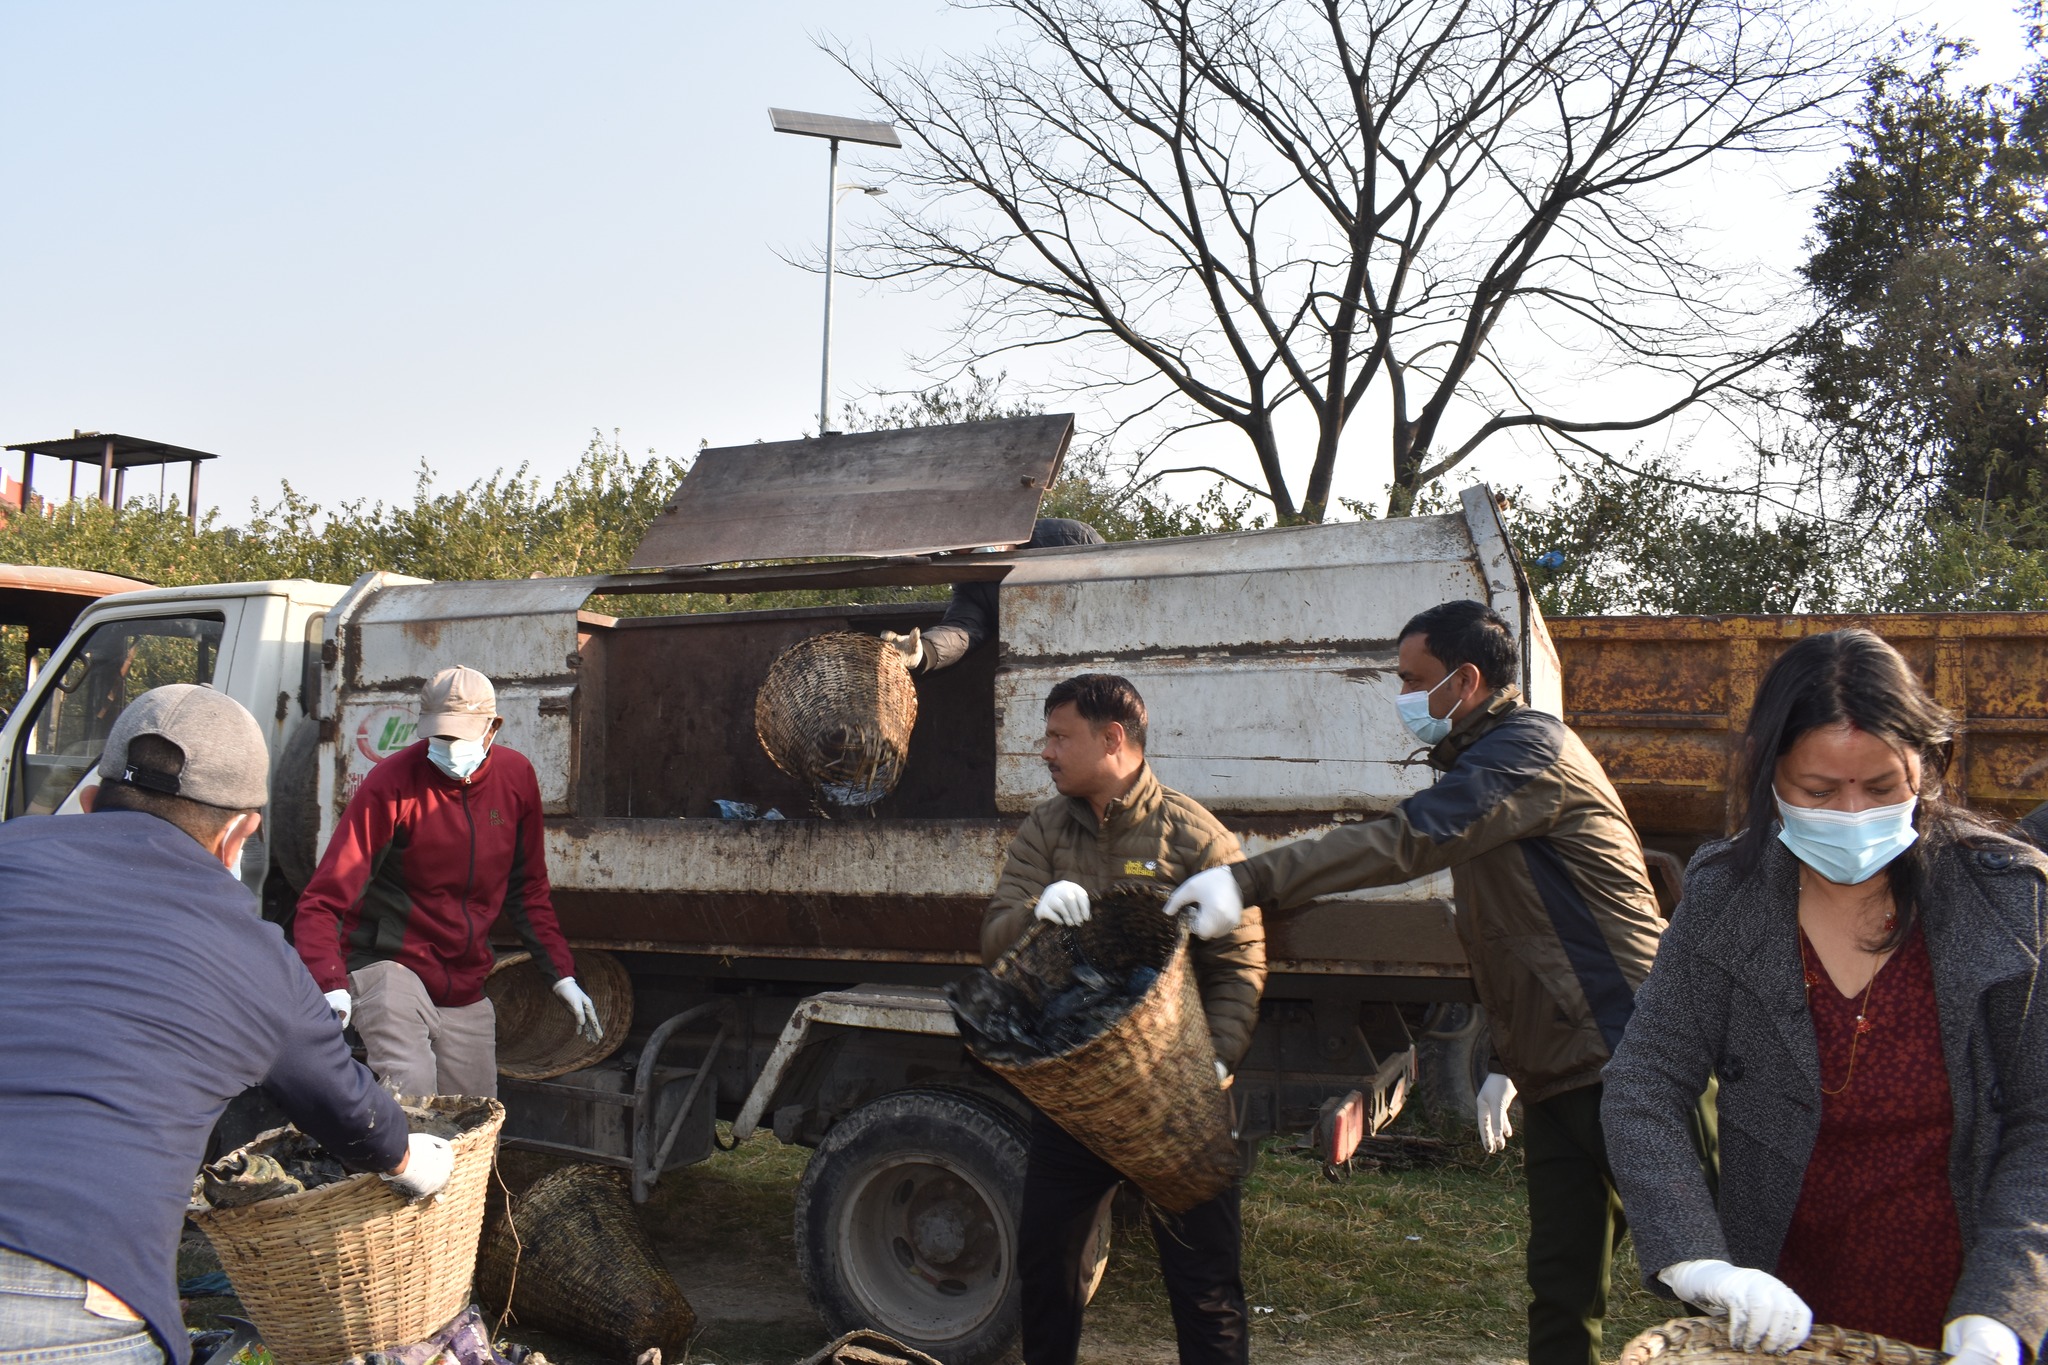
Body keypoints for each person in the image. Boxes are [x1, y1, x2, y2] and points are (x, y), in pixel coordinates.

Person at [1164, 599, 1675, 1365]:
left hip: (1626, 1052)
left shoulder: (1527, 750)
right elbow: (1519, 938)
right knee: (1564, 1293)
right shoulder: (1487, 759)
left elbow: (1406, 840)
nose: (1403, 697)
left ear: (1465, 680)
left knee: (1697, 1266)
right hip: (1561, 1064)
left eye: (1413, 679)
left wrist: (1250, 879)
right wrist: (1507, 1058)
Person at [1601, 629, 2045, 1364]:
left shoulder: (2007, 900)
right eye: (1818, 790)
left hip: (1958, 1299)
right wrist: (1700, 1261)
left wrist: (2002, 1307)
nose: (1851, 813)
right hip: (1780, 1312)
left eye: (1880, 787)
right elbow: (1644, 1084)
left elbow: (2041, 1118)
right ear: (1771, 775)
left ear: (1928, 768)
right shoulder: (1725, 897)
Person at [0, 684, 450, 1365]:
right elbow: (351, 1109)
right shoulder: (255, 954)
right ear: (240, 834)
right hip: (63, 1304)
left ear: (89, 803)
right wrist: (414, 1159)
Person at [985, 673, 1265, 1365]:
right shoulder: (1045, 829)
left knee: (1204, 1286)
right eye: (1046, 736)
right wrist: (1033, 912)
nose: (1045, 751)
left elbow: (1241, 958)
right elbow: (995, 933)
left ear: (1114, 739)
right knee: (1047, 1271)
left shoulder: (1193, 834)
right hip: (1077, 1095)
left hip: (1177, 1098)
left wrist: (1219, 1057)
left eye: (1059, 737)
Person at [295, 665, 600, 1100]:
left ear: (492, 728)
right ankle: (395, 1162)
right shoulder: (391, 784)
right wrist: (331, 984)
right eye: (439, 735)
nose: (448, 746)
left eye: (460, 736)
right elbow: (323, 900)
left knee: (475, 1110)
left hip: (464, 973)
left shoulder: (516, 779)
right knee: (412, 1089)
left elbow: (528, 888)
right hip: (389, 962)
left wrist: (561, 974)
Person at [881, 517, 1104, 673]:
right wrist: (922, 652)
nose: (967, 547)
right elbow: (960, 631)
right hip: (1042, 670)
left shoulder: (1070, 536)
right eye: (957, 545)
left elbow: (1115, 591)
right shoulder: (972, 585)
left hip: (1102, 655)